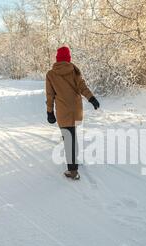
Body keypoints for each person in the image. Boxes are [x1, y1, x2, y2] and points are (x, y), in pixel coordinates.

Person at [45, 46, 100, 180]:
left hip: (63, 111)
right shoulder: (74, 70)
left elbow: (50, 95)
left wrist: (50, 112)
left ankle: (73, 171)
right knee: (72, 135)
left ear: (57, 58)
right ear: (68, 58)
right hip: (76, 110)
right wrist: (91, 98)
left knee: (68, 138)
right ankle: (74, 162)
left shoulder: (51, 74)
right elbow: (82, 87)